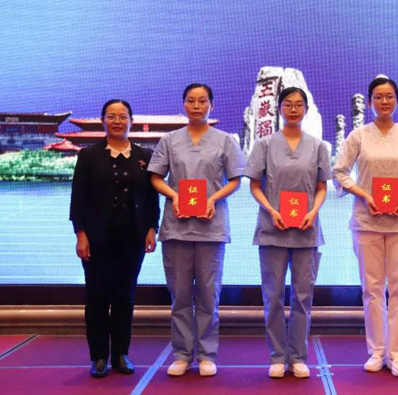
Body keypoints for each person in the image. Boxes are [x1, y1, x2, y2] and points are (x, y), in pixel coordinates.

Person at [333, 76, 398, 378]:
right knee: (372, 289)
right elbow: (340, 172)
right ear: (369, 102)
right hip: (367, 221)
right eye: (378, 97)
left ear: (397, 101)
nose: (384, 101)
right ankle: (377, 351)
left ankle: (397, 354)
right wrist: (365, 195)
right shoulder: (358, 136)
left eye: (389, 96)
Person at [148, 83, 245, 377]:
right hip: (176, 228)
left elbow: (235, 179)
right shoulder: (169, 140)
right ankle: (181, 354)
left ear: (211, 105)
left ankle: (206, 354)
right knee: (179, 295)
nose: (197, 106)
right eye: (191, 101)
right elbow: (156, 177)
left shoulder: (225, 140)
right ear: (184, 105)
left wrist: (213, 199)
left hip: (210, 228)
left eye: (202, 101)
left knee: (208, 295)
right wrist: (175, 195)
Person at [245, 87, 331, 379]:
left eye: (298, 105)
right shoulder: (265, 144)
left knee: (303, 297)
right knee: (273, 297)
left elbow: (322, 187)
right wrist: (272, 211)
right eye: (288, 104)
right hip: (273, 229)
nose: (293, 110)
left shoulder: (318, 146)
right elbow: (254, 185)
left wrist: (313, 212)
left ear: (306, 109)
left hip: (307, 230)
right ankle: (277, 356)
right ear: (279, 108)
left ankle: (298, 356)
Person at [70, 99, 159, 378]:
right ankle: (98, 357)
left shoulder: (144, 156)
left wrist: (151, 228)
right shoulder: (89, 156)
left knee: (124, 297)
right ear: (103, 121)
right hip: (97, 238)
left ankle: (121, 354)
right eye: (111, 116)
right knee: (97, 296)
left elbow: (151, 197)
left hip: (132, 238)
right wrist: (81, 234)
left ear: (131, 121)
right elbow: (78, 198)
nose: (117, 121)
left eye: (123, 116)